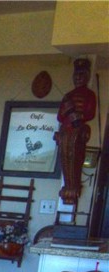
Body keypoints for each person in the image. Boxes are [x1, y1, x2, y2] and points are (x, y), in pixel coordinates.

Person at [55, 58, 97, 205]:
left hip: (78, 131)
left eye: (81, 74)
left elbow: (90, 113)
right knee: (65, 157)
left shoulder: (90, 94)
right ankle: (68, 185)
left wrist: (80, 116)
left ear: (87, 76)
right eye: (76, 75)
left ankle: (72, 186)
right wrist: (67, 111)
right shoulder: (68, 96)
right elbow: (60, 116)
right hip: (66, 131)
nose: (78, 78)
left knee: (75, 157)